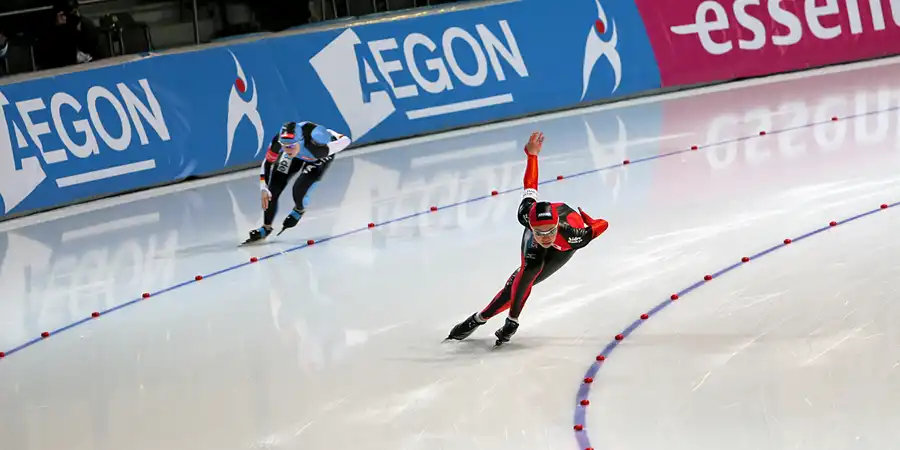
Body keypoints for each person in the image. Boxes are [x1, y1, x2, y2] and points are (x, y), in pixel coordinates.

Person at [445, 131, 610, 346]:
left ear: (556, 226)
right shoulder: (526, 213)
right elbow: (531, 185)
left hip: (565, 246)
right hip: (541, 235)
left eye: (549, 231)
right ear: (530, 225)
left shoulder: (573, 235)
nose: (546, 238)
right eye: (540, 233)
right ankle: (478, 319)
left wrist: (591, 221)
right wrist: (532, 154)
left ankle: (482, 318)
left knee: (530, 276)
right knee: (520, 280)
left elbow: (602, 225)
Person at [243, 121, 352, 244]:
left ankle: (299, 209)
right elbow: (267, 162)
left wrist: (333, 133)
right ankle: (266, 227)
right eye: (284, 146)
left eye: (290, 146)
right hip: (300, 154)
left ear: (300, 141)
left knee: (299, 189)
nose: (287, 149)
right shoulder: (279, 142)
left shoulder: (318, 148)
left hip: (315, 157)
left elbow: (346, 141)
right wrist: (263, 187)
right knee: (272, 190)